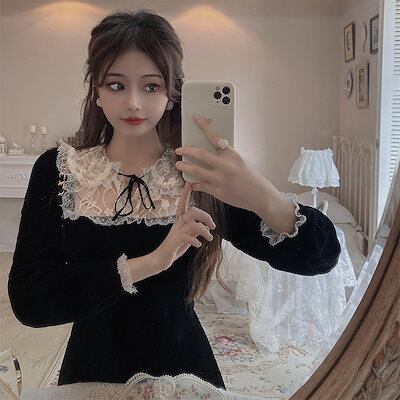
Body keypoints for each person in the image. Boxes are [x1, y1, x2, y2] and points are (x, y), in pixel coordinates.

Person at [8, 9, 341, 390]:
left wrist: (258, 190)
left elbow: (320, 256)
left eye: (151, 86)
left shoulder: (200, 174)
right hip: (90, 375)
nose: (134, 103)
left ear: (171, 95)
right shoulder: (60, 170)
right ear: (96, 92)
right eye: (116, 85)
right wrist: (153, 261)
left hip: (185, 376)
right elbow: (30, 301)